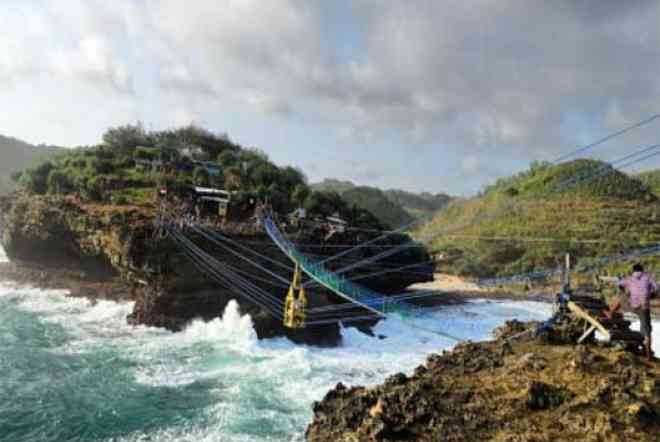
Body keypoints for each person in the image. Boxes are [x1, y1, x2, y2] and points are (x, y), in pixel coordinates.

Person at [605, 263, 657, 362]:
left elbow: (619, 283)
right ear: (642, 270)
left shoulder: (630, 279)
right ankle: (648, 354)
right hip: (644, 307)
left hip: (633, 305)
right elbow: (657, 287)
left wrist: (625, 290)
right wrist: (651, 294)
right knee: (647, 330)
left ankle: (610, 313)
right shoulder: (648, 277)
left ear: (633, 271)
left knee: (622, 298)